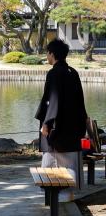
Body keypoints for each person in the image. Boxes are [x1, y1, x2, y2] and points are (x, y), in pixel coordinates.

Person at [35, 38, 87, 202]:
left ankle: (60, 193)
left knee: (55, 160)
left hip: (59, 127)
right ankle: (67, 193)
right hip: (73, 125)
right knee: (69, 161)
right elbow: (80, 101)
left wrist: (47, 122)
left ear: (52, 54)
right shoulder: (73, 72)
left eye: (47, 53)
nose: (47, 56)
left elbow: (53, 99)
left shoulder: (54, 73)